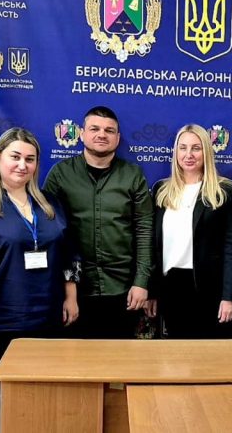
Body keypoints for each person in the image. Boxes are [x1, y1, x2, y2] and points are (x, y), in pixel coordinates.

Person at [0, 128, 78, 433]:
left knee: (43, 405)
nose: (23, 165)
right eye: (15, 157)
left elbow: (69, 253)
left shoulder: (51, 204)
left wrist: (71, 296)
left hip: (48, 320)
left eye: (30, 159)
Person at [44, 106, 153, 339]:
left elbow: (144, 231)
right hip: (73, 292)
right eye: (94, 129)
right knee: (76, 360)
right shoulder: (60, 174)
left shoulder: (133, 175)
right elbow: (48, 232)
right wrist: (63, 288)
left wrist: (142, 282)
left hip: (123, 290)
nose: (102, 134)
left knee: (121, 358)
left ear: (118, 138)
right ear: (81, 134)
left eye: (109, 130)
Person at [147, 124, 232, 338]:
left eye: (196, 148)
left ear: (206, 151)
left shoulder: (224, 191)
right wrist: (152, 290)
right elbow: (153, 245)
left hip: (209, 288)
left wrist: (229, 296)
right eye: (183, 148)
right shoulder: (161, 191)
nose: (188, 154)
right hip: (170, 286)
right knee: (176, 353)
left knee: (209, 353)